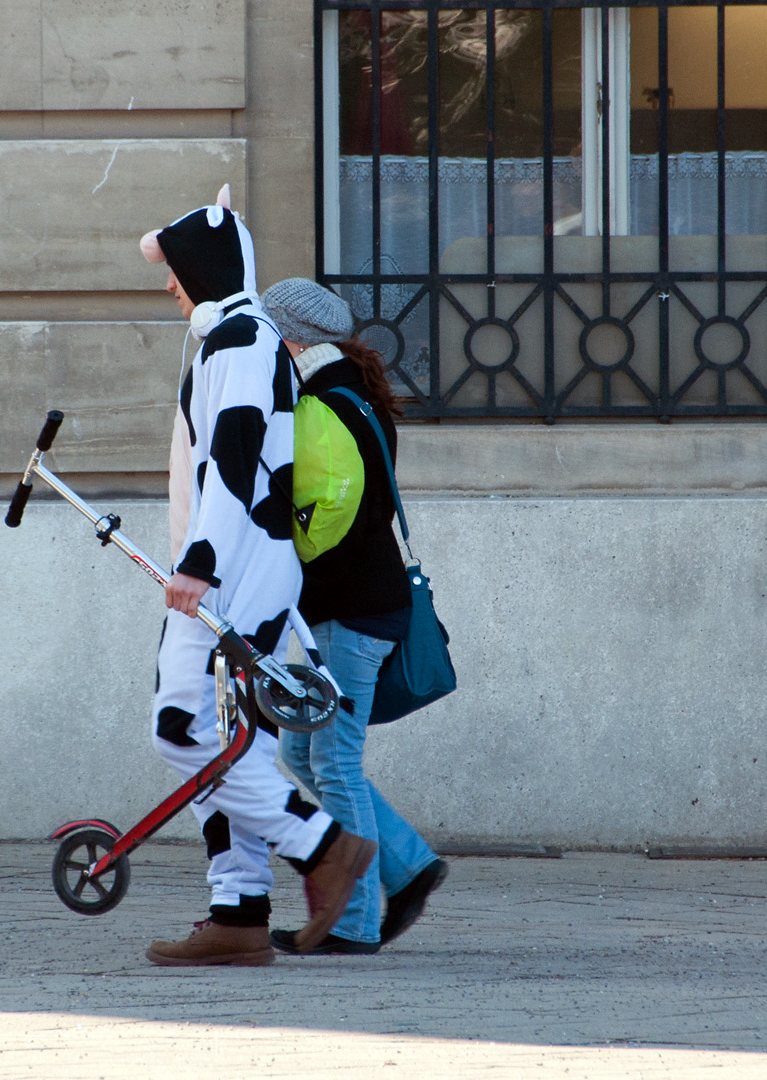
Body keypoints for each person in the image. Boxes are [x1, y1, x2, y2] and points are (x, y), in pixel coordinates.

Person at [137, 188, 377, 967]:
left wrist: (198, 566)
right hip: (241, 567)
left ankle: (321, 848)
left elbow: (236, 465)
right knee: (226, 740)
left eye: (172, 271)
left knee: (182, 729)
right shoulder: (234, 338)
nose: (167, 285)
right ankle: (237, 911)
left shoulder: (240, 339)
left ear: (200, 268)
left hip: (235, 571)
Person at [258, 276, 449, 955]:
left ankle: (355, 921)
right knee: (301, 751)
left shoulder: (324, 403)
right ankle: (408, 862)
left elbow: (324, 516)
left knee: (333, 759)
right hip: (351, 608)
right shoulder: (352, 393)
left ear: (288, 336)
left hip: (351, 611)